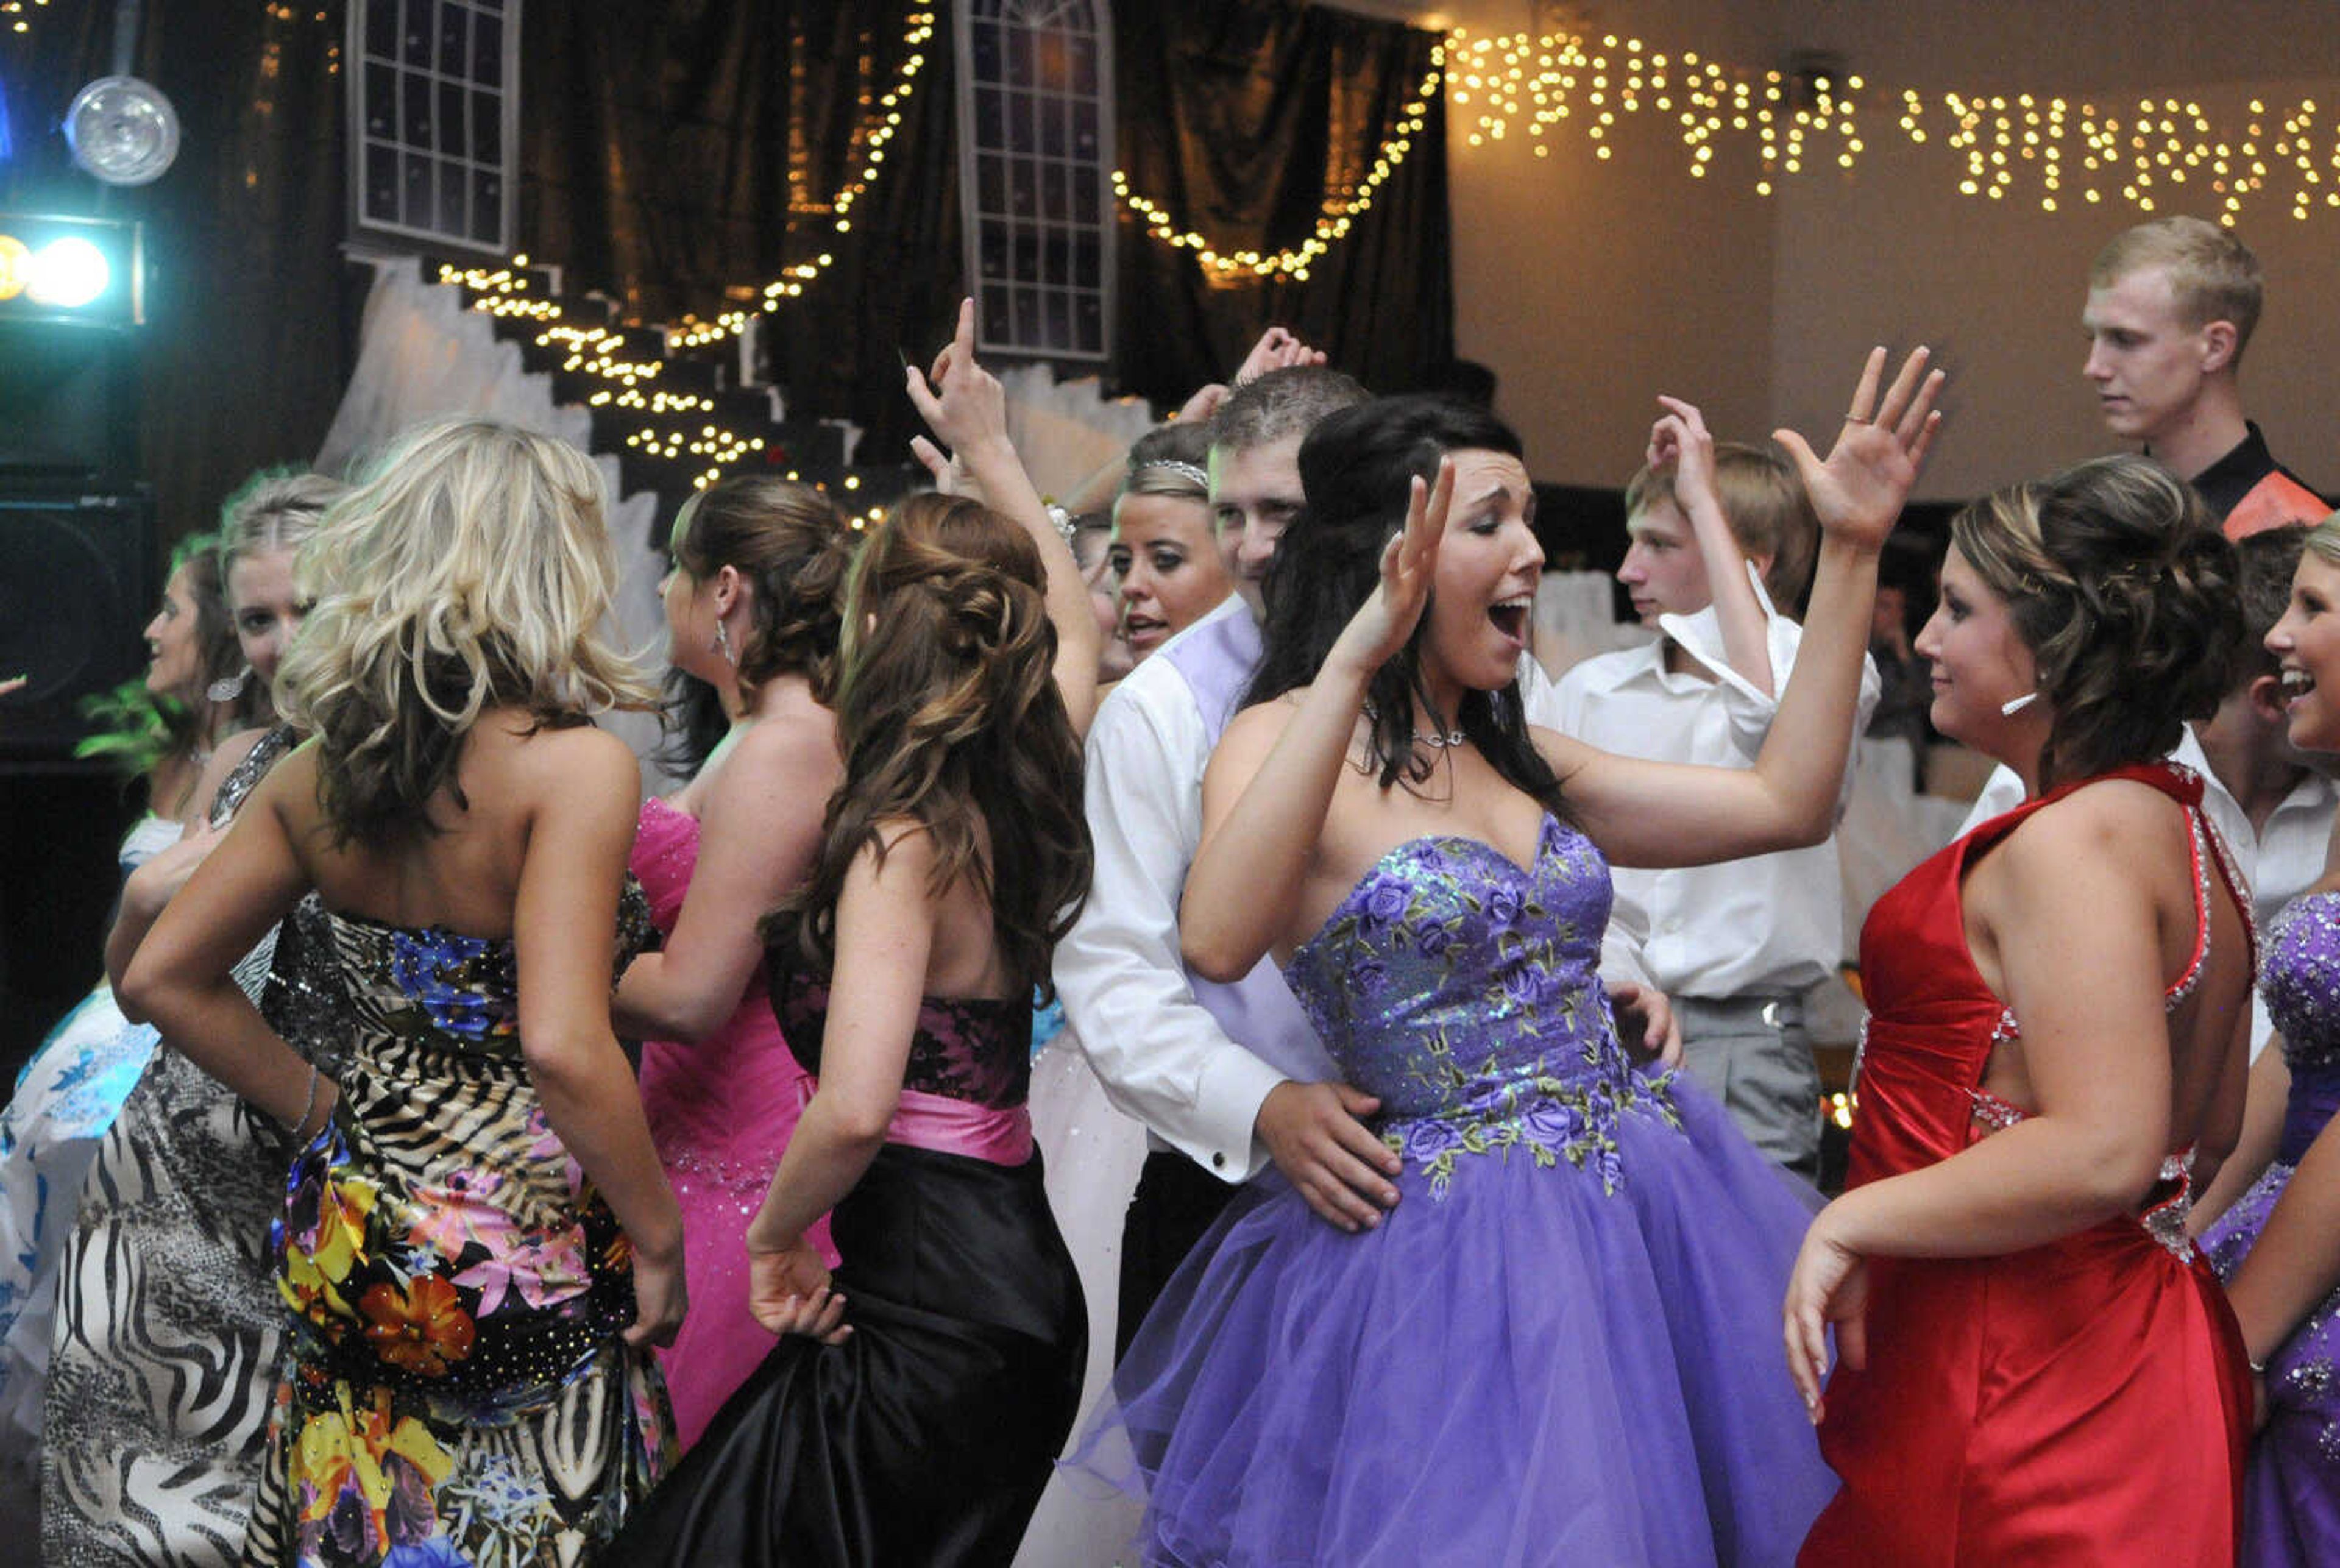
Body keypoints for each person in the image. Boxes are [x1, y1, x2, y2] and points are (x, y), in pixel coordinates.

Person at [1091, 350, 1941, 1564]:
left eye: (1531, 518)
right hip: (1448, 1259)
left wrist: (1853, 549)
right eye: (1492, 521)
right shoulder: (1279, 738)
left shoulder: (1519, 750)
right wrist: (1352, 653)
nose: (1536, 552)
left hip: (1643, 1206)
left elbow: (1791, 799)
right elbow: (1218, 937)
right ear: (1397, 551)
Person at [123, 419, 687, 1563]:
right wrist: (659, 1230)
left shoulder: (315, 770)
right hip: (524, 1235)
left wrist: (321, 1110)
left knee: (375, 1516)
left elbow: (159, 976)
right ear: (547, 568)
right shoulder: (575, 767)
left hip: (356, 1223)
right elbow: (569, 1044)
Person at [609, 470, 1097, 1555]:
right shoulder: (1022, 798)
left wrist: (776, 1240)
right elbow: (1081, 647)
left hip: (933, 1297)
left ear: (876, 622)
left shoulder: (904, 838)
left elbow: (854, 1107)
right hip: (1014, 1277)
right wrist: (998, 455)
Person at [1787, 455, 2258, 1564]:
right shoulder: (2184, 826)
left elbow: (2107, 1145)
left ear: (2053, 646)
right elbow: (2216, 1128)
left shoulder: (2072, 843)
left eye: (1959, 608)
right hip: (2122, 1340)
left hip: (2024, 1367)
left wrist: (1849, 1220)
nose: (1931, 640)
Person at [41, 470, 353, 1563]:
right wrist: (141, 895)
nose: (280, 645)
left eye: (309, 609)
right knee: (125, 1518)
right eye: (259, 618)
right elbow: (130, 981)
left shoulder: (404, 771)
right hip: (164, 1189)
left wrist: (328, 1121)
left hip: (316, 1200)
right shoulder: (239, 762)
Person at [0, 531, 260, 1522]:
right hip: (114, 1014)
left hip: (173, 1040)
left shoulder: (249, 762)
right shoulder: (171, 748)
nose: (151, 629)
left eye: (172, 610)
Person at [1553, 402, 1873, 1179]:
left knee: (1752, 1290)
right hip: (1598, 1029)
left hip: (1747, 1048)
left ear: (1749, 565)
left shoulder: (1825, 671)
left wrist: (1705, 497)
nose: (1628, 569)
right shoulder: (1593, 689)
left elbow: (1771, 720)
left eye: (1661, 543)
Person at [613, 476, 853, 1453]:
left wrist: (516, 962)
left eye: (673, 568)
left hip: (740, 1155)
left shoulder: (785, 747)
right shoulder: (756, 735)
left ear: (723, 589)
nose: (663, 592)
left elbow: (695, 994)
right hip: (687, 1139)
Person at [2199, 512, 2340, 1566]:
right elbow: (2296, 1050)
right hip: (2286, 1218)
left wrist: (2241, 1337)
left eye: (2314, 608)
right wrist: (2184, 1234)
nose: (2279, 638)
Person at [2083, 216, 2324, 538]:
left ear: (2215, 347)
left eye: (2126, 339)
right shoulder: (2098, 519)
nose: (2094, 367)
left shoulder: (2296, 536)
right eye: (2093, 338)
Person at [1109, 421, 1233, 662]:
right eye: (1121, 563)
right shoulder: (1100, 699)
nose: (1130, 586)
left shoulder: (1302, 697)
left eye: (1166, 560)